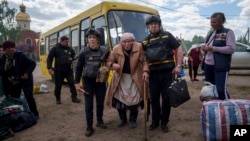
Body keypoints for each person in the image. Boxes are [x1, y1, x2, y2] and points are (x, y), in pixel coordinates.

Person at [141, 15, 183, 133]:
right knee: (153, 99)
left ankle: (164, 122)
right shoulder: (145, 41)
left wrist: (179, 65)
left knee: (166, 98)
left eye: (156, 23)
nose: (153, 25)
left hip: (167, 72)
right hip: (153, 74)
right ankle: (155, 121)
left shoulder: (167, 35)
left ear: (159, 25)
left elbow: (179, 49)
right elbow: (143, 57)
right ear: (148, 26)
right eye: (151, 24)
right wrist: (145, 71)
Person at [105, 33, 149, 129]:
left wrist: (145, 71)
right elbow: (108, 61)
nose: (127, 44)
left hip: (135, 77)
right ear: (121, 42)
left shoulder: (139, 47)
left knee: (135, 99)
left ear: (133, 41)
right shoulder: (116, 49)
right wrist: (112, 65)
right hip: (120, 78)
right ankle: (122, 119)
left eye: (129, 41)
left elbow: (145, 61)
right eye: (124, 42)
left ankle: (133, 120)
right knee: (119, 100)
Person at [74, 28, 109, 137]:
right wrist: (76, 83)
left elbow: (111, 60)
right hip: (87, 81)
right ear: (87, 40)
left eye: (94, 37)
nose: (92, 40)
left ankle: (99, 120)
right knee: (88, 105)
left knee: (100, 103)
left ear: (98, 39)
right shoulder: (84, 52)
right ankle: (89, 126)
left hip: (100, 81)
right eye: (90, 38)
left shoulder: (104, 50)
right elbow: (79, 67)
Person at [0, 40, 39, 119]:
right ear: (5, 50)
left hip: (25, 79)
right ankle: (20, 115)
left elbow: (32, 63)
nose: (11, 49)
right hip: (13, 82)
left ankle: (35, 113)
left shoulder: (20, 55)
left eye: (13, 47)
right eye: (9, 48)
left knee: (28, 96)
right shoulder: (3, 59)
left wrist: (27, 73)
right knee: (15, 98)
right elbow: (2, 71)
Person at [202, 12, 236, 100]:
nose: (212, 24)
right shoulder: (211, 33)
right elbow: (208, 47)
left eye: (214, 22)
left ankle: (227, 109)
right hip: (208, 65)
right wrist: (204, 48)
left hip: (220, 66)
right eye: (211, 22)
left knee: (221, 90)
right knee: (210, 90)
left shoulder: (228, 32)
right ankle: (216, 110)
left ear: (222, 22)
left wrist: (213, 48)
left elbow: (231, 49)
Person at [47, 36, 81, 104]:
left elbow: (73, 56)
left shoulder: (69, 48)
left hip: (68, 70)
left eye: (68, 42)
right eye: (66, 42)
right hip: (59, 71)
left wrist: (75, 57)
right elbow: (49, 58)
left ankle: (74, 97)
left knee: (72, 84)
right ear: (61, 41)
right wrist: (49, 68)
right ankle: (58, 99)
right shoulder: (55, 48)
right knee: (58, 85)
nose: (67, 43)